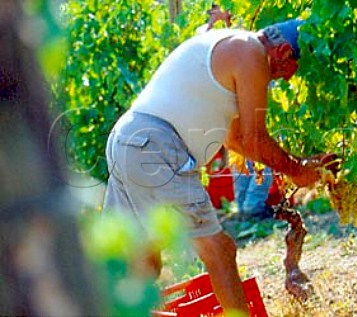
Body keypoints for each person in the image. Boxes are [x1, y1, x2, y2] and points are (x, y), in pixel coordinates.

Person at [103, 18, 336, 316]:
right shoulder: (251, 53)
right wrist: (297, 169)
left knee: (144, 263)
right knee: (219, 251)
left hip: (129, 140)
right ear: (285, 52)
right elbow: (254, 140)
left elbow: (237, 140)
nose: (289, 79)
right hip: (154, 145)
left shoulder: (234, 48)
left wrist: (296, 166)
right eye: (295, 69)